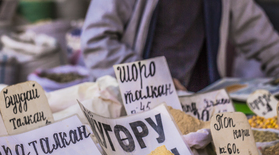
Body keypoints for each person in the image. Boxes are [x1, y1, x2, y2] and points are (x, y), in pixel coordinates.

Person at [81, 0, 279, 92]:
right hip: (135, 108)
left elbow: (263, 38)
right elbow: (96, 42)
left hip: (199, 106)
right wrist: (153, 79)